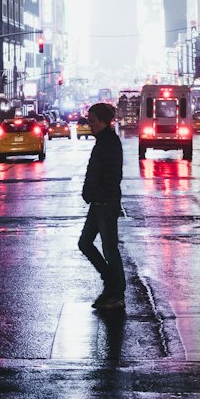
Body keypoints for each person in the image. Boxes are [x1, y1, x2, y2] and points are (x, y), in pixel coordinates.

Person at [78, 102, 125, 310]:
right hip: (97, 203)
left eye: (93, 121)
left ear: (104, 121)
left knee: (110, 249)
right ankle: (110, 282)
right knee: (85, 243)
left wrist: (99, 195)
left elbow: (113, 176)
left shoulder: (110, 143)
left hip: (105, 203)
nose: (90, 125)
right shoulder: (102, 141)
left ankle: (116, 292)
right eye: (89, 121)